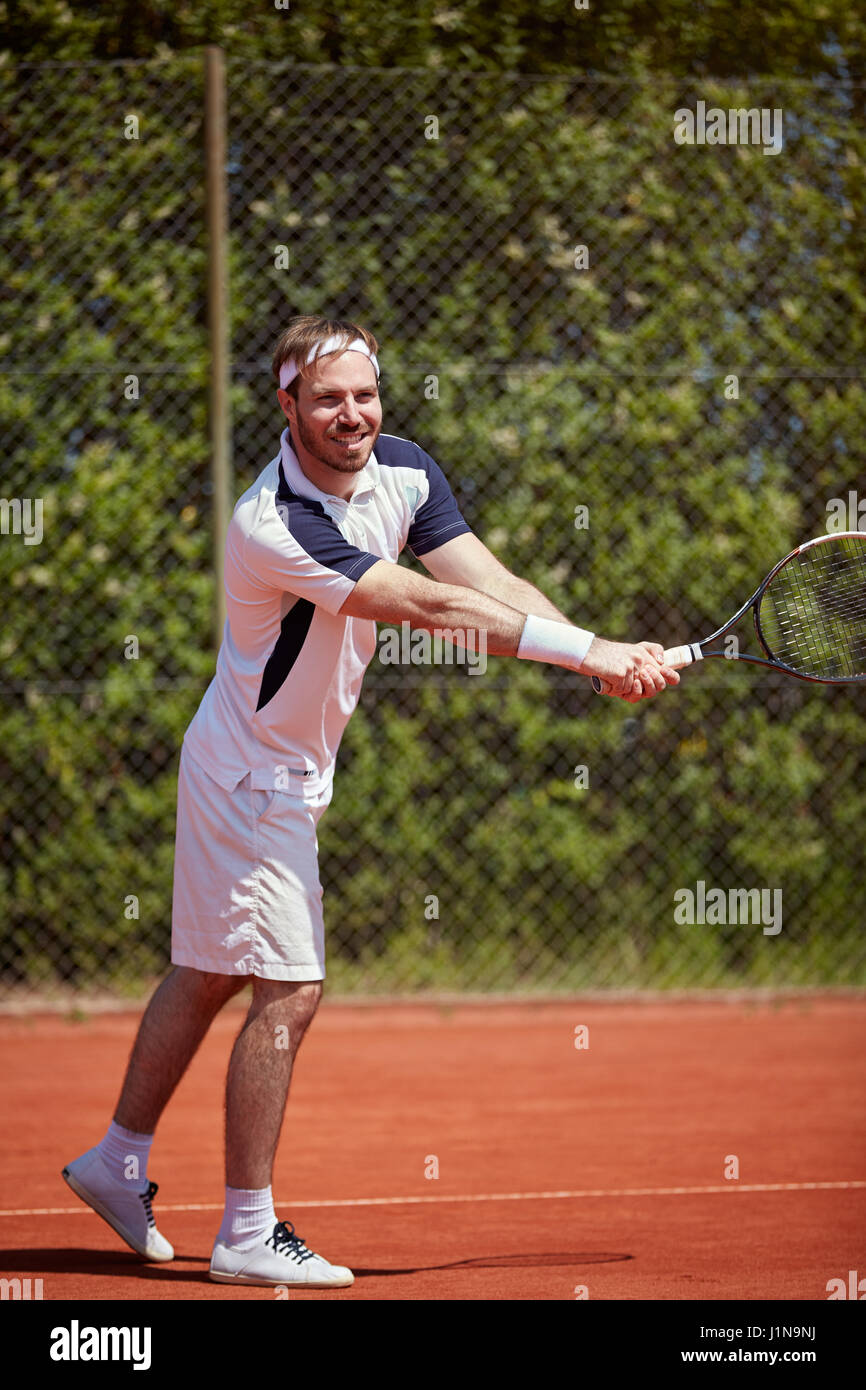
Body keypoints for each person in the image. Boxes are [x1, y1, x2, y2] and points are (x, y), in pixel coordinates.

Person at [62, 315, 679, 1289]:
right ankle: (247, 1231)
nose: (350, 415)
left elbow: (484, 582)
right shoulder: (275, 522)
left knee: (208, 971)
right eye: (326, 399)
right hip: (249, 779)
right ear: (286, 407)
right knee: (290, 989)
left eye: (363, 394)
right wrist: (587, 652)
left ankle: (115, 1161)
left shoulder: (405, 471)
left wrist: (591, 654)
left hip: (264, 769)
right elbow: (430, 609)